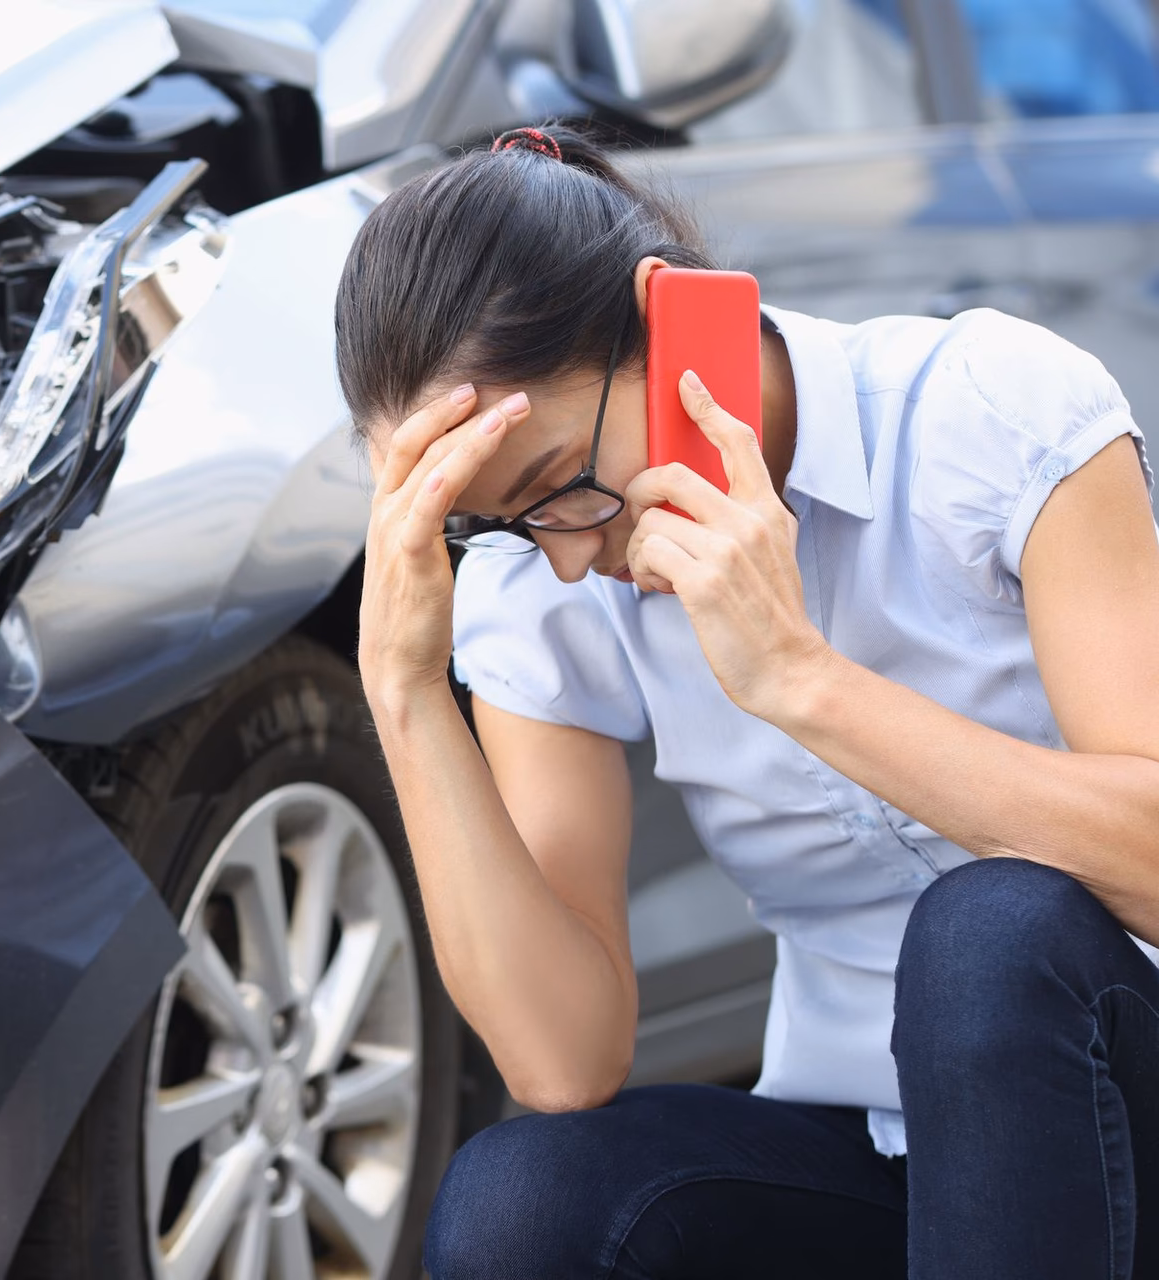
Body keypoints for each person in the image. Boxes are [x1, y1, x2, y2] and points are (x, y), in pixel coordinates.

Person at [335, 123, 1159, 1278]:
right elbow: (564, 1060)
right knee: (522, 1201)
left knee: (994, 930)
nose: (568, 558)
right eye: (502, 523)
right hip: (881, 1159)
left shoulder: (985, 414)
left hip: (1128, 1111)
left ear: (677, 321)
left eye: (559, 485)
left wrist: (802, 682)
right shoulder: (542, 574)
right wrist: (407, 687)